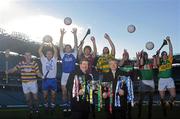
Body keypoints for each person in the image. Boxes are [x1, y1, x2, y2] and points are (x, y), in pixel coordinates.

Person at [156, 37, 176, 117]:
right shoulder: (159, 62)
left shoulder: (169, 60)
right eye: (163, 54)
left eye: (165, 54)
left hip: (169, 79)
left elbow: (171, 50)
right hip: (161, 80)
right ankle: (164, 109)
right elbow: (157, 61)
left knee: (173, 96)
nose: (164, 55)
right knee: (162, 98)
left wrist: (169, 41)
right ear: (161, 56)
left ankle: (169, 103)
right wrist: (157, 54)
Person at [59, 28, 78, 111]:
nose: (67, 48)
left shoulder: (74, 54)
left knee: (71, 93)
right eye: (66, 47)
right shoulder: (63, 55)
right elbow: (60, 45)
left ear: (71, 49)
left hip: (72, 75)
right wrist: (62, 35)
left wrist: (74, 34)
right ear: (65, 49)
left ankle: (70, 106)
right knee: (64, 92)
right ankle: (65, 106)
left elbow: (76, 44)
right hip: (64, 75)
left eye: (68, 47)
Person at [38, 36, 58, 112]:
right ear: (46, 55)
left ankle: (52, 106)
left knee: (53, 96)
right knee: (45, 95)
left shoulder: (54, 59)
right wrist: (43, 42)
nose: (49, 55)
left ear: (52, 55)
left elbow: (56, 51)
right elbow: (39, 51)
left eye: (50, 53)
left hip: (53, 80)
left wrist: (51, 42)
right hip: (45, 80)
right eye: (48, 54)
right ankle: (46, 105)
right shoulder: (43, 59)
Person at [136, 51, 157, 119]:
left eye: (146, 55)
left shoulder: (150, 62)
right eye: (144, 55)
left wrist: (155, 58)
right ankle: (139, 112)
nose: (145, 56)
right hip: (143, 82)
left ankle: (149, 113)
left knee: (151, 100)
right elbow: (139, 64)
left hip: (151, 82)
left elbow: (155, 65)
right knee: (140, 100)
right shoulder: (140, 63)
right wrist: (139, 56)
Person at [119, 49, 134, 119]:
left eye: (127, 55)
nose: (126, 56)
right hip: (123, 82)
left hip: (130, 82)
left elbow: (137, 65)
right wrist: (123, 58)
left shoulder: (131, 62)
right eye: (124, 55)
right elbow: (120, 64)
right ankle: (123, 113)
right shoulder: (121, 61)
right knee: (123, 98)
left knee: (130, 98)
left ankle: (129, 113)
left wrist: (139, 57)